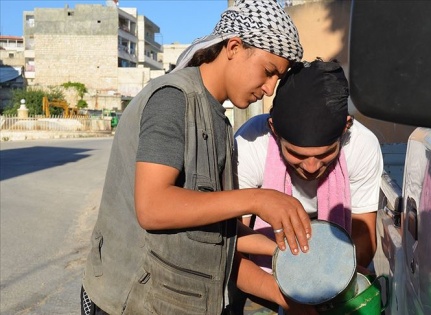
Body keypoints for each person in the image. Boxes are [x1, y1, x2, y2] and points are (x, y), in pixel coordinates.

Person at [80, 1, 316, 314]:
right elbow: (153, 207)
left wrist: (285, 250)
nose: (270, 88)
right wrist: (258, 199)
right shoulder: (173, 100)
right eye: (268, 72)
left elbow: (209, 224)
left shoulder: (217, 117)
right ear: (234, 46)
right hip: (131, 302)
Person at [234, 59, 384, 310]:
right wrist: (288, 300)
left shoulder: (362, 145)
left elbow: (364, 235)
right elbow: (229, 247)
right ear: (274, 130)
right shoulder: (251, 143)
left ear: (346, 128)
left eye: (325, 154)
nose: (311, 166)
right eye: (297, 155)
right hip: (262, 274)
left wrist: (325, 282)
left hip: (335, 274)